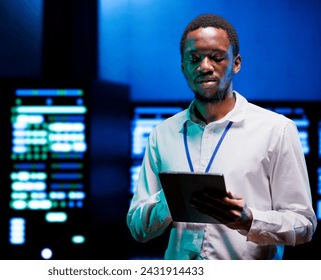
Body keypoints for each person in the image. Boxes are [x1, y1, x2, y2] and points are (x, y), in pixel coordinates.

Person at [126, 13, 317, 260]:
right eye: (194, 58)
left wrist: (250, 220)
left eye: (217, 58)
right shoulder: (162, 134)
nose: (205, 66)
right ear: (183, 66)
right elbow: (137, 229)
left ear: (236, 63)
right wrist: (170, 200)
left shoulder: (277, 130)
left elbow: (304, 224)